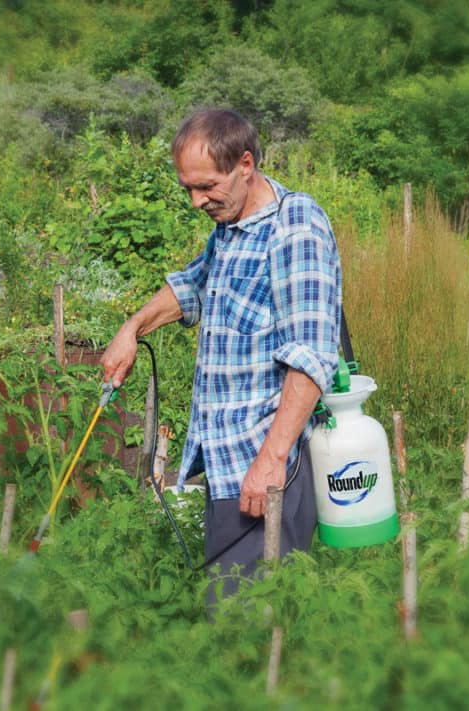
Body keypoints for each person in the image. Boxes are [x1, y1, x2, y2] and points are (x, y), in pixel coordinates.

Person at [100, 108, 342, 608]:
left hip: (266, 472)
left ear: (245, 164)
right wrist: (131, 329)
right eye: (187, 188)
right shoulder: (232, 227)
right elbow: (192, 286)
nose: (195, 201)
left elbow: (312, 354)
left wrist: (271, 460)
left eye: (206, 186)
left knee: (245, 633)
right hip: (228, 465)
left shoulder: (294, 227)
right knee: (228, 618)